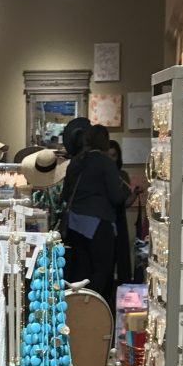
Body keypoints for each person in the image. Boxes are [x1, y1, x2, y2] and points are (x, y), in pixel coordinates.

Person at [61, 123, 125, 302]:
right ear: (105, 142)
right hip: (99, 224)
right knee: (101, 272)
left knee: (80, 271)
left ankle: (75, 307)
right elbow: (116, 197)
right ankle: (94, 309)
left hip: (75, 225)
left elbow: (65, 194)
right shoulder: (106, 163)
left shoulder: (75, 162)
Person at [104, 137, 139, 289]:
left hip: (119, 218)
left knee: (123, 257)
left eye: (114, 155)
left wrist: (135, 194)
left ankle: (125, 293)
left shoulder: (122, 175)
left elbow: (125, 203)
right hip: (106, 220)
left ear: (118, 157)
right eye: (108, 156)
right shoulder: (101, 174)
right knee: (106, 260)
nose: (111, 159)